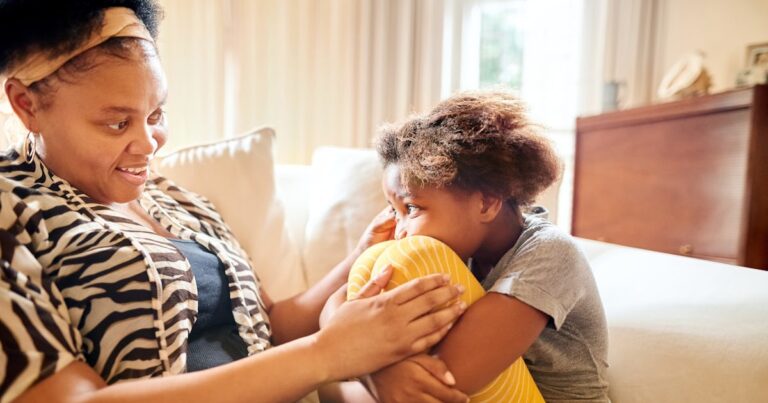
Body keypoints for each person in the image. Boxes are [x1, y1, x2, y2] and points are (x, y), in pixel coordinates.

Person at [0, 1, 468, 402]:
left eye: (157, 114)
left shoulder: (174, 200)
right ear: (26, 104)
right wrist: (329, 354)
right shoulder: (12, 210)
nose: (149, 144)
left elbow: (272, 326)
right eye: (116, 124)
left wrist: (362, 256)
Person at [321, 91, 610, 402]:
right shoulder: (462, 252)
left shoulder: (550, 254)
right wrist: (375, 374)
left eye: (413, 208)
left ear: (486, 202)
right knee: (331, 388)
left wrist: (364, 366)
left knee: (338, 387)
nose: (400, 230)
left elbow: (446, 380)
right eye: (395, 211)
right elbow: (337, 309)